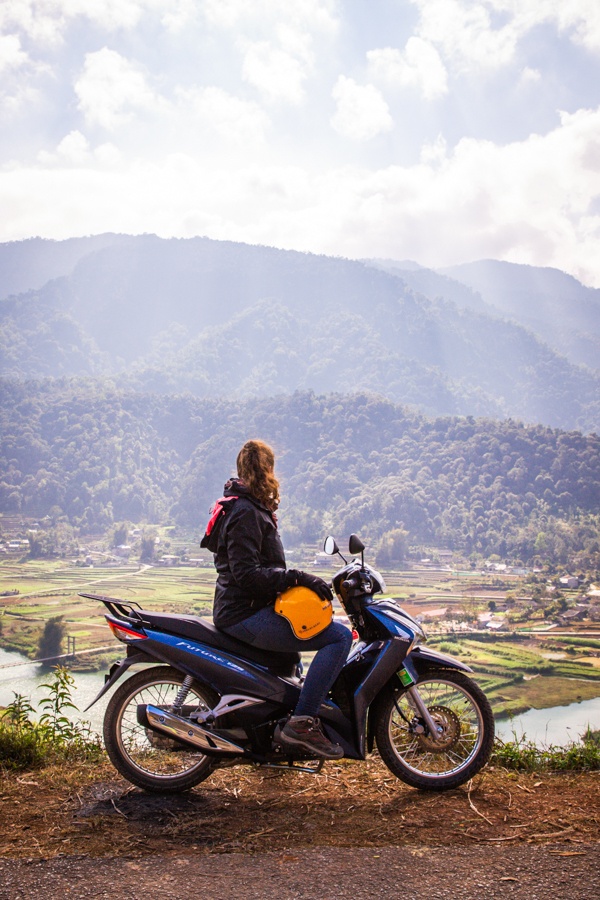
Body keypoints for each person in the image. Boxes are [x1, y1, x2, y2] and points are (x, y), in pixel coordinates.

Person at [206, 439, 352, 759]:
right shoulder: (245, 511)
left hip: (246, 607)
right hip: (243, 613)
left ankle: (274, 731)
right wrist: (298, 578)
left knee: (291, 657)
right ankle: (301, 723)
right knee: (339, 637)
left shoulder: (247, 506)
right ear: (269, 469)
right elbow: (247, 575)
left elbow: (258, 571)